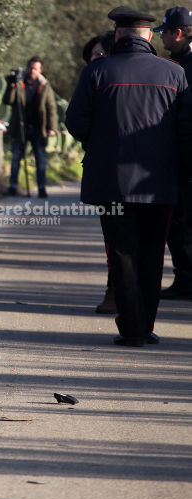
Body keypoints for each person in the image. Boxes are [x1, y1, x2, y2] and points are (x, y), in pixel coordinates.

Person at [65, 6, 192, 347]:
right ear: (148, 36)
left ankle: (131, 326)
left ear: (118, 35)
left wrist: (101, 141)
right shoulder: (175, 74)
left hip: (112, 185)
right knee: (152, 254)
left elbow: (75, 122)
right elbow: (186, 132)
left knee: (121, 253)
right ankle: (143, 325)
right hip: (159, 185)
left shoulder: (97, 72)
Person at [155, 7, 192, 300]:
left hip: (186, 161)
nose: (161, 38)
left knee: (182, 223)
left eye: (164, 32)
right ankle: (184, 278)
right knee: (178, 224)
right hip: (180, 158)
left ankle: (187, 279)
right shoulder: (178, 62)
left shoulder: (184, 66)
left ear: (177, 33)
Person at [81, 31, 119, 315]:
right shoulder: (94, 79)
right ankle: (115, 292)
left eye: (97, 57)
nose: (92, 63)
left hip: (139, 175)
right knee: (114, 240)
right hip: (110, 173)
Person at [3, 57, 59, 198]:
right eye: (30, 68)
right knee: (16, 158)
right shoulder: (19, 83)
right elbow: (8, 101)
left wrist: (52, 127)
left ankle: (41, 188)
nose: (32, 71)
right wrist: (11, 86)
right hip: (20, 127)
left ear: (40, 70)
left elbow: (51, 107)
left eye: (35, 68)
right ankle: (13, 186)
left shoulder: (45, 86)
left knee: (40, 159)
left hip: (38, 129)